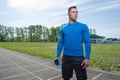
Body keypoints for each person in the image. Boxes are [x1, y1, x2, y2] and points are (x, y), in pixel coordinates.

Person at [56, 6, 91, 80]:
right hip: (66, 57)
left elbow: (87, 42)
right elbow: (61, 42)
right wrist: (57, 55)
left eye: (77, 12)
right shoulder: (63, 28)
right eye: (73, 12)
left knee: (82, 78)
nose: (76, 14)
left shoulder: (83, 26)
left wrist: (87, 58)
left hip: (79, 58)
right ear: (68, 14)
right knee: (66, 78)